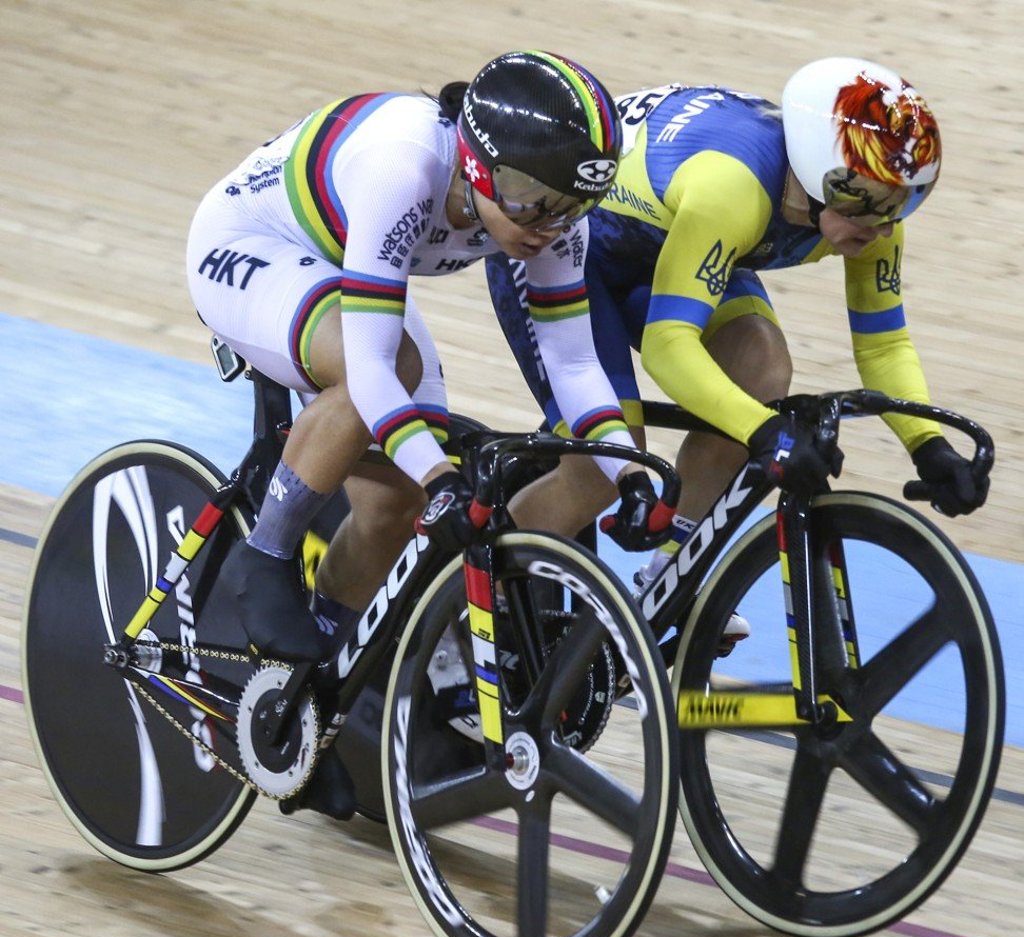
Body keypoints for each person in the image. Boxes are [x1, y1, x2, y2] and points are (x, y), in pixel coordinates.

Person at [186, 51, 673, 815]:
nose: (547, 226)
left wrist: (630, 471)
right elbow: (376, 374)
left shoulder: (550, 222)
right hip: (253, 248)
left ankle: (303, 703)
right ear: (478, 166)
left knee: (393, 509)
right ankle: (264, 555)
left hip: (348, 271)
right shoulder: (405, 161)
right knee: (391, 385)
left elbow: (578, 367)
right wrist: (441, 478)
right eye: (530, 200)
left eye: (568, 207)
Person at [487, 57, 989, 596]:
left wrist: (927, 444)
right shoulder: (734, 187)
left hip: (667, 244)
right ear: (818, 174)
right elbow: (667, 347)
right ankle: (462, 616)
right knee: (606, 465)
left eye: (905, 200)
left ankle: (672, 575)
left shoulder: (870, 219)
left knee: (761, 367)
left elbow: (884, 344)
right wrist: (764, 433)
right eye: (870, 199)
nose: (886, 224)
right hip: (570, 245)